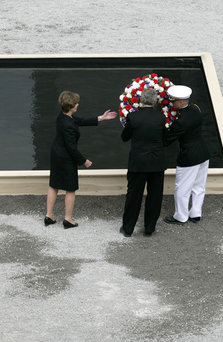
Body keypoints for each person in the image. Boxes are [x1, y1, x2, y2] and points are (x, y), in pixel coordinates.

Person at [45, 90, 117, 229]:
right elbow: (71, 148)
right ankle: (68, 219)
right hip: (65, 158)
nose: (78, 104)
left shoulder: (63, 117)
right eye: (76, 103)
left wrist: (100, 118)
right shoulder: (69, 125)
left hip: (56, 154)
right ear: (71, 106)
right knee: (70, 188)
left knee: (54, 184)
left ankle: (49, 215)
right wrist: (84, 161)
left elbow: (80, 120)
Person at [119, 88, 167, 237]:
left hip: (138, 163)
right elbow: (164, 139)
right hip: (156, 162)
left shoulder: (133, 117)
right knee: (155, 196)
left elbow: (124, 137)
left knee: (134, 196)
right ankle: (149, 228)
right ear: (155, 102)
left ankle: (128, 228)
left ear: (141, 100)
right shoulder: (161, 118)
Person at [163, 85, 210, 225]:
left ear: (182, 102)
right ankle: (195, 214)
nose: (171, 103)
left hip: (189, 157)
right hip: (203, 153)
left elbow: (167, 140)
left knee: (182, 189)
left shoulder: (181, 121)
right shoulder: (195, 109)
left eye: (174, 101)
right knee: (199, 186)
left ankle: (180, 216)